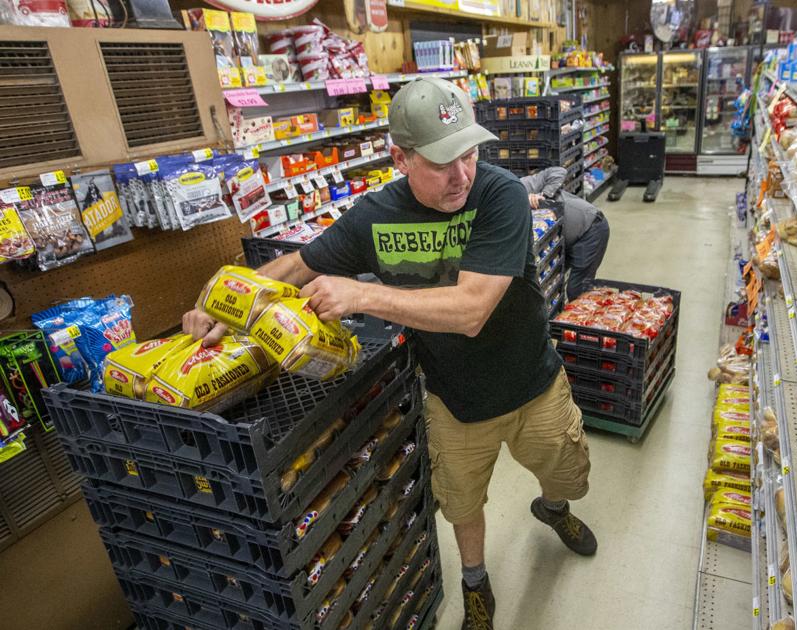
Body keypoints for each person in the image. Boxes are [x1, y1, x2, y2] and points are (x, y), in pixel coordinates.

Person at [182, 78, 595, 630]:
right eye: (443, 161)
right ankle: (476, 582)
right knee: (463, 505)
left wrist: (363, 293)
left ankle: (554, 507)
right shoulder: (373, 216)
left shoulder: (500, 195)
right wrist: (222, 301)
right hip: (456, 401)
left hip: (533, 384)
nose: (461, 174)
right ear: (399, 157)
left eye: (468, 154)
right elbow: (299, 264)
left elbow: (472, 310)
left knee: (568, 474)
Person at [520, 167, 610, 302]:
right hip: (562, 238)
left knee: (577, 290)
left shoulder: (521, 186)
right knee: (552, 282)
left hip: (590, 229)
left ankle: (586, 318)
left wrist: (544, 196)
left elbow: (558, 171)